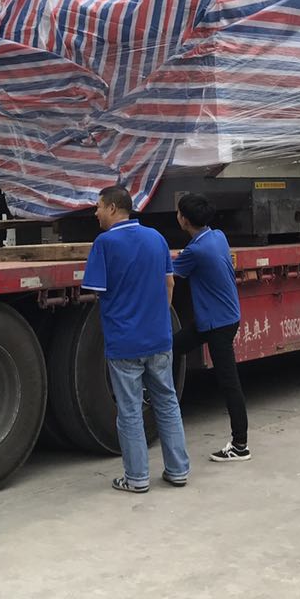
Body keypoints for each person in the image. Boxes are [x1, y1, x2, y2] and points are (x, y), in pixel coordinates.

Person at [82, 185, 190, 493]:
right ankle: (178, 470)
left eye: (98, 207)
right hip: (158, 337)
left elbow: (96, 291)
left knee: (130, 410)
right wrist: (157, 317)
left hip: (125, 341)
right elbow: (169, 283)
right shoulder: (156, 238)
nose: (96, 213)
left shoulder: (105, 243)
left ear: (112, 208)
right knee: (167, 402)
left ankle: (137, 478)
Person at [172, 193, 249, 462]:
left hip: (218, 324)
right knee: (173, 346)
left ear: (184, 219)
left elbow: (169, 271)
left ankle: (240, 445)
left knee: (229, 383)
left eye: (179, 212)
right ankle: (161, 397)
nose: (177, 216)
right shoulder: (217, 236)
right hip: (218, 319)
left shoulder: (195, 252)